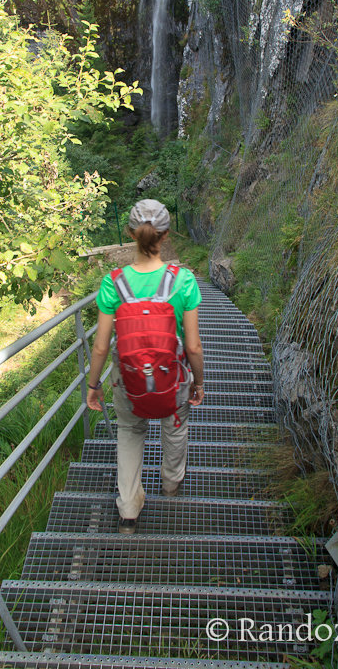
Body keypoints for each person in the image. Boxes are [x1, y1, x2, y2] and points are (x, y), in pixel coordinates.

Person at [86, 198, 204, 534]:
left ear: (130, 234)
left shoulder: (114, 283)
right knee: (175, 427)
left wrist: (93, 387)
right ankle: (171, 484)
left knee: (130, 433)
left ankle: (128, 512)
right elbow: (193, 345)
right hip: (173, 375)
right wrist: (198, 383)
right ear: (165, 235)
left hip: (128, 379)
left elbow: (100, 345)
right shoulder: (183, 281)